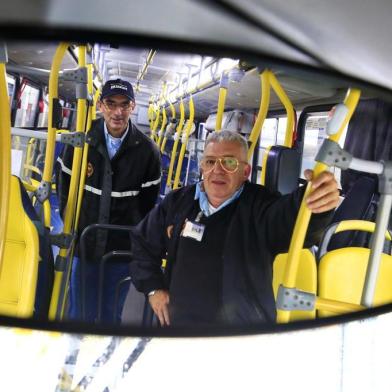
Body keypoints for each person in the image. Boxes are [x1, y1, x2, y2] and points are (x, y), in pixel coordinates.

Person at [129, 130, 339, 327]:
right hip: (181, 323)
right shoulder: (177, 202)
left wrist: (316, 199)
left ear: (245, 171)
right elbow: (142, 243)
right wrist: (153, 288)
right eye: (210, 161)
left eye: (229, 162)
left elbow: (292, 220)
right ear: (202, 166)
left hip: (241, 329)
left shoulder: (262, 207)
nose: (217, 170)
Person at [56, 78, 161, 323]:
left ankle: (101, 360)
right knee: (79, 311)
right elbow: (64, 190)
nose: (118, 112)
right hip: (86, 244)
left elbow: (148, 207)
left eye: (125, 105)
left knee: (110, 315)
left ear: (133, 107)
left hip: (121, 250)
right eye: (111, 104)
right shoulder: (81, 142)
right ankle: (73, 359)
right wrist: (75, 226)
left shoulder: (147, 152)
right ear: (101, 106)